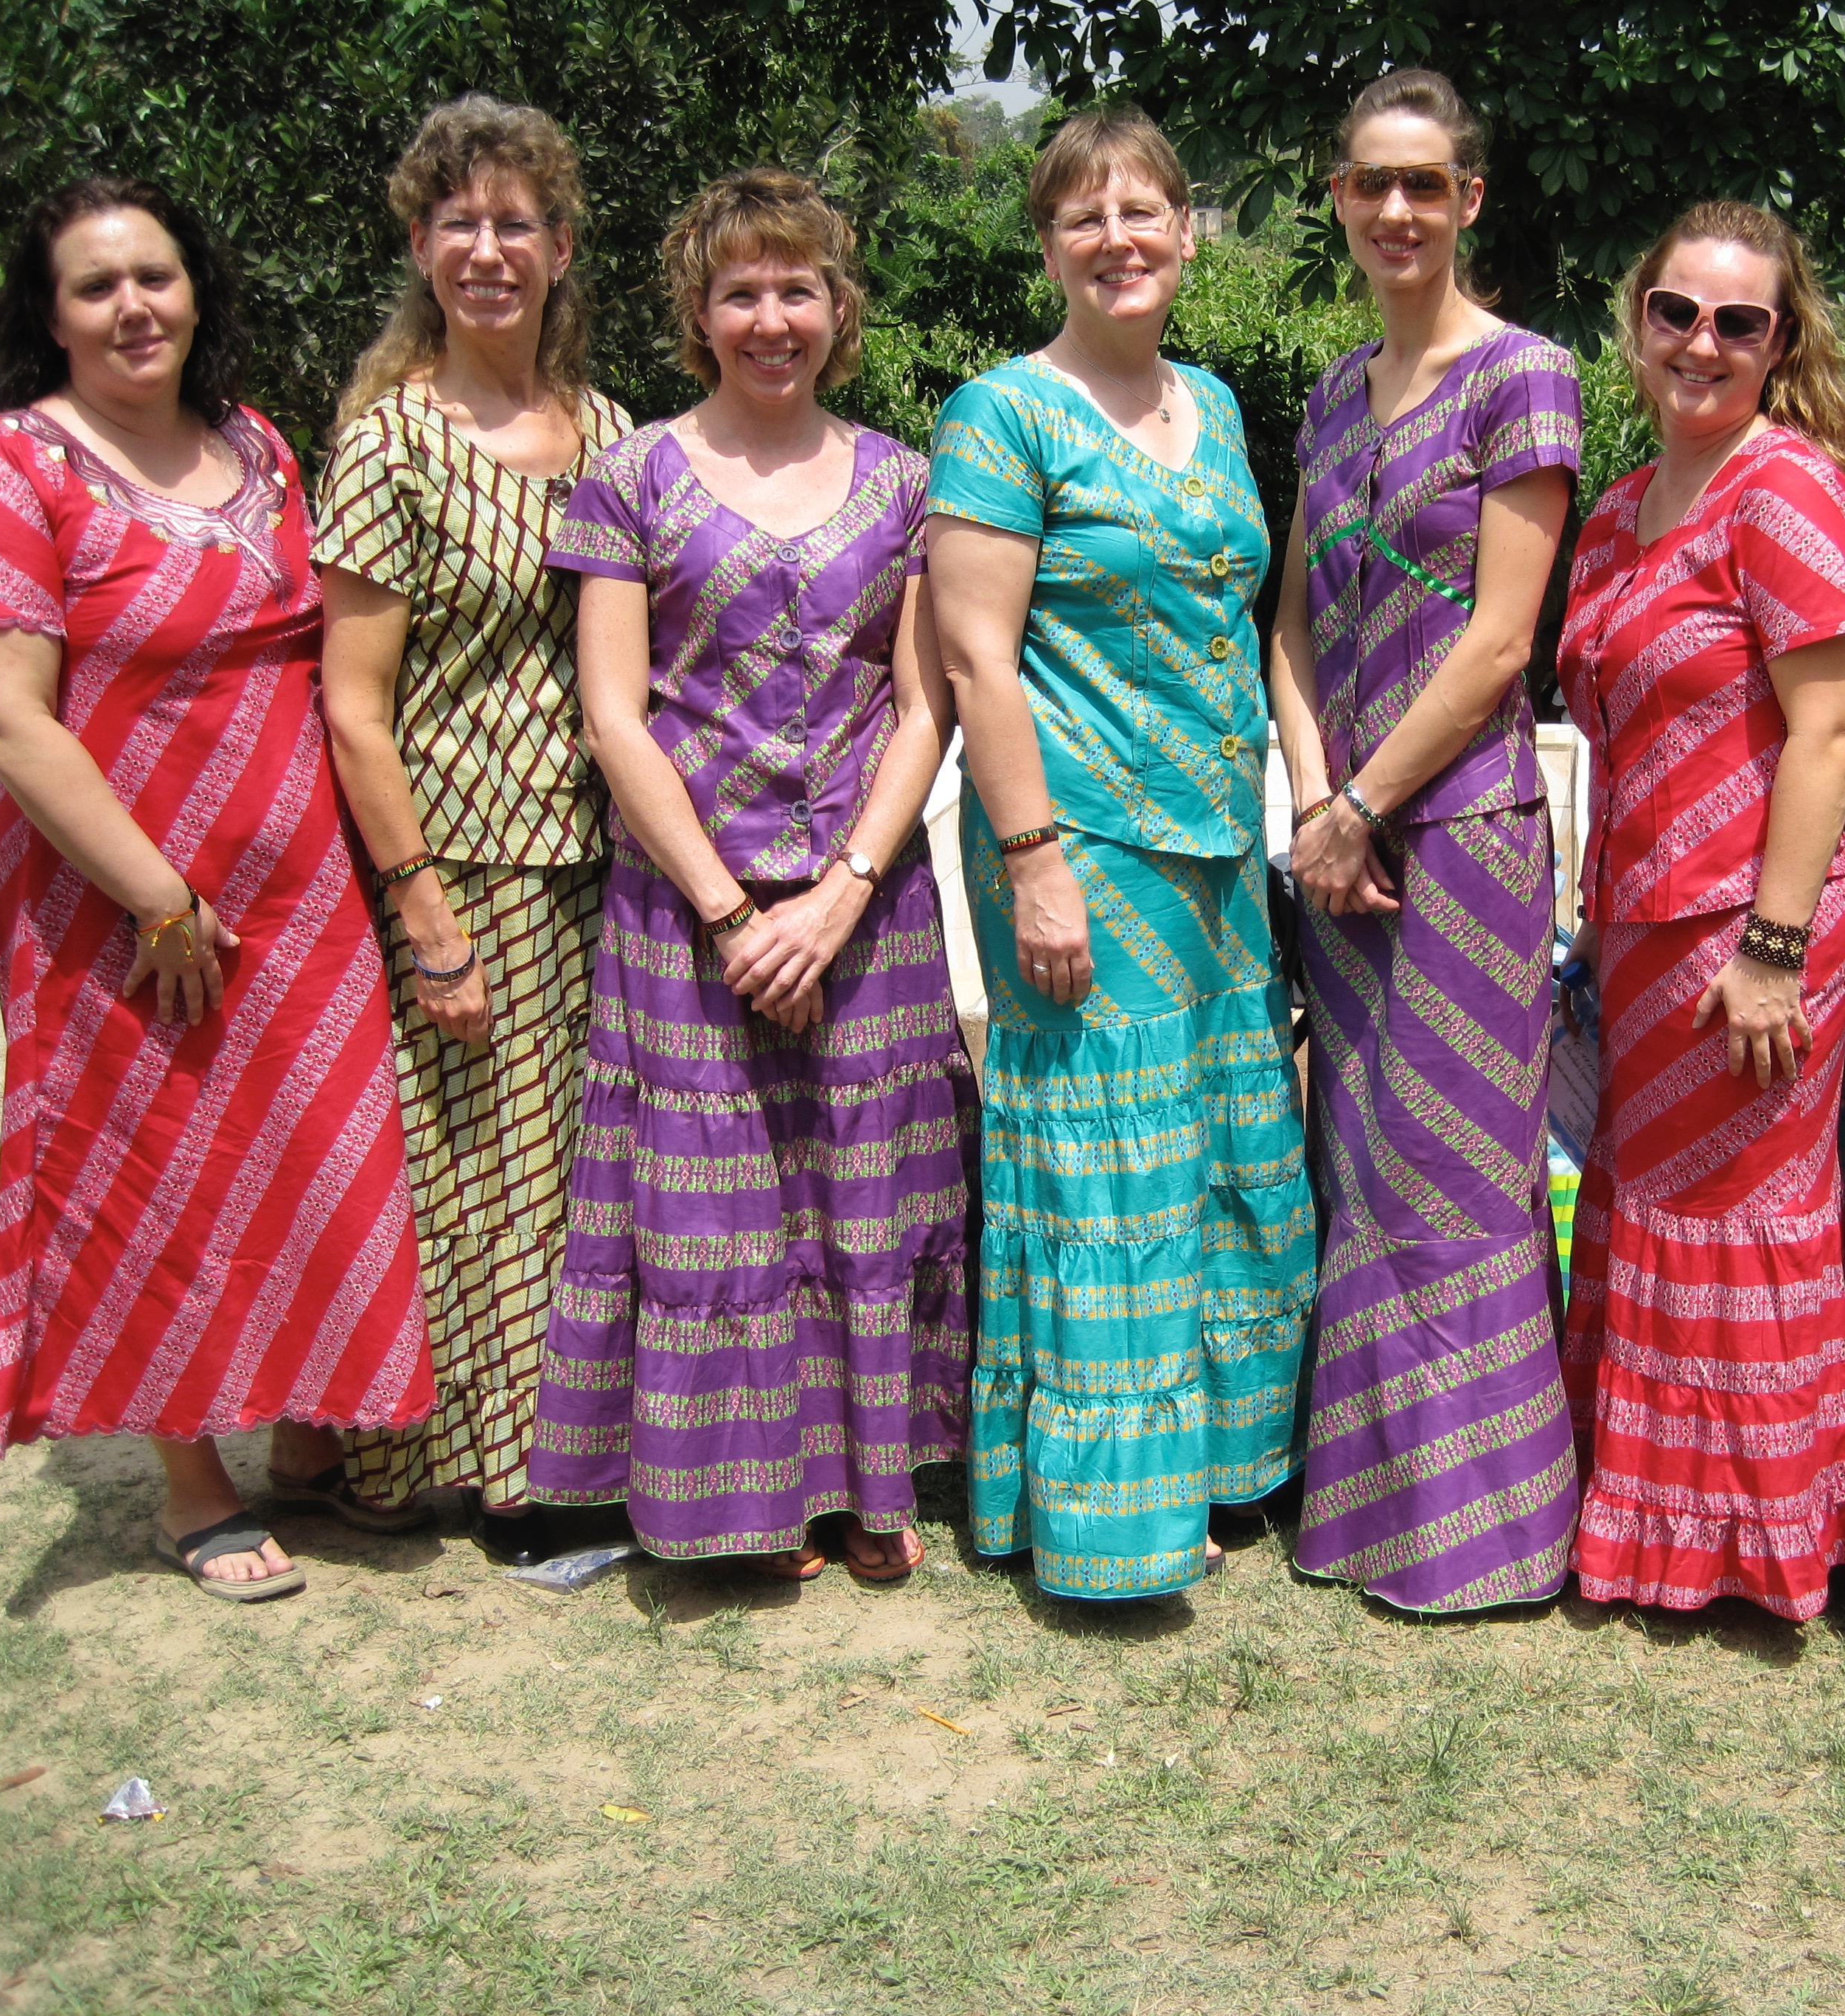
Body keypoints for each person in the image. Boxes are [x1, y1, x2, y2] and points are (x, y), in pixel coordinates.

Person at [0, 178, 430, 1600]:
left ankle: (314, 1434)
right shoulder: (5, 470)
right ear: (50, 315)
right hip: (119, 902)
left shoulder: (257, 446)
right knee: (159, 1169)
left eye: (156, 276)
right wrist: (155, 895)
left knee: (312, 1147)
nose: (133, 306)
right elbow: (8, 720)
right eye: (95, 285)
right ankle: (193, 1484)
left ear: (197, 289)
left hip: (303, 885)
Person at [533, 168, 979, 1578]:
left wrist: (842, 892)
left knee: (866, 1188)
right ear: (698, 312)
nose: (770, 317)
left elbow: (927, 708)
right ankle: (746, 1500)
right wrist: (734, 914)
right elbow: (615, 712)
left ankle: (871, 1489)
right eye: (742, 290)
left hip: (871, 908)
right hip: (685, 916)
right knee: (720, 1197)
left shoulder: (909, 482)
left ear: (838, 309)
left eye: (798, 288)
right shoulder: (632, 476)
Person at [927, 107, 1315, 1601]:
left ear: (1188, 232)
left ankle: (1221, 1464)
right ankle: (1108, 1510)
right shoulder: (1001, 415)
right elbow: (977, 651)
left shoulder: (1213, 405)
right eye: (1085, 216)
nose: (1120, 238)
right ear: (1048, 247)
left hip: (1216, 849)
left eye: (1145, 210)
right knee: (1108, 1170)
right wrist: (1032, 862)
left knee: (1218, 1158)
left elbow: (1239, 615)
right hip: (1080, 838)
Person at [1268, 69, 1582, 1614]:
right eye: (1369, 183)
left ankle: (1487, 1541)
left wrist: (1361, 806)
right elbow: (1292, 620)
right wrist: (1318, 802)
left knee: (1460, 1175)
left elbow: (1504, 641)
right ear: (1338, 199)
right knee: (1365, 1168)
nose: (1398, 210)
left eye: (1427, 183)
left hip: (1458, 840)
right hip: (1346, 847)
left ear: (1470, 200)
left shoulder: (1526, 377)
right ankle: (1366, 1510)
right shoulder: (1329, 393)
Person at [314, 96, 632, 1564]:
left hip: (601, 864)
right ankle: (504, 1486)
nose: (489, 250)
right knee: (485, 1182)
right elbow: (354, 707)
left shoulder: (615, 434)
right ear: (423, 247)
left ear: (563, 248)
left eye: (517, 224)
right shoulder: (394, 447)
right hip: (462, 860)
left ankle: (575, 1446)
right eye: (461, 225)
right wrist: (423, 912)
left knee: (577, 1175)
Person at [1554, 202, 1845, 1619]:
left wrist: (1770, 950)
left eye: (1739, 322)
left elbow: (1831, 733)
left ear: (1780, 341)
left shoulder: (1786, 490)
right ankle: (1648, 1525)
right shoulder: (1623, 506)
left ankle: (1750, 1545)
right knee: (1651, 1208)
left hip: (1756, 926)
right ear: (1637, 320)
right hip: (1638, 928)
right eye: (1677, 312)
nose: (1702, 343)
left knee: (1741, 1219)